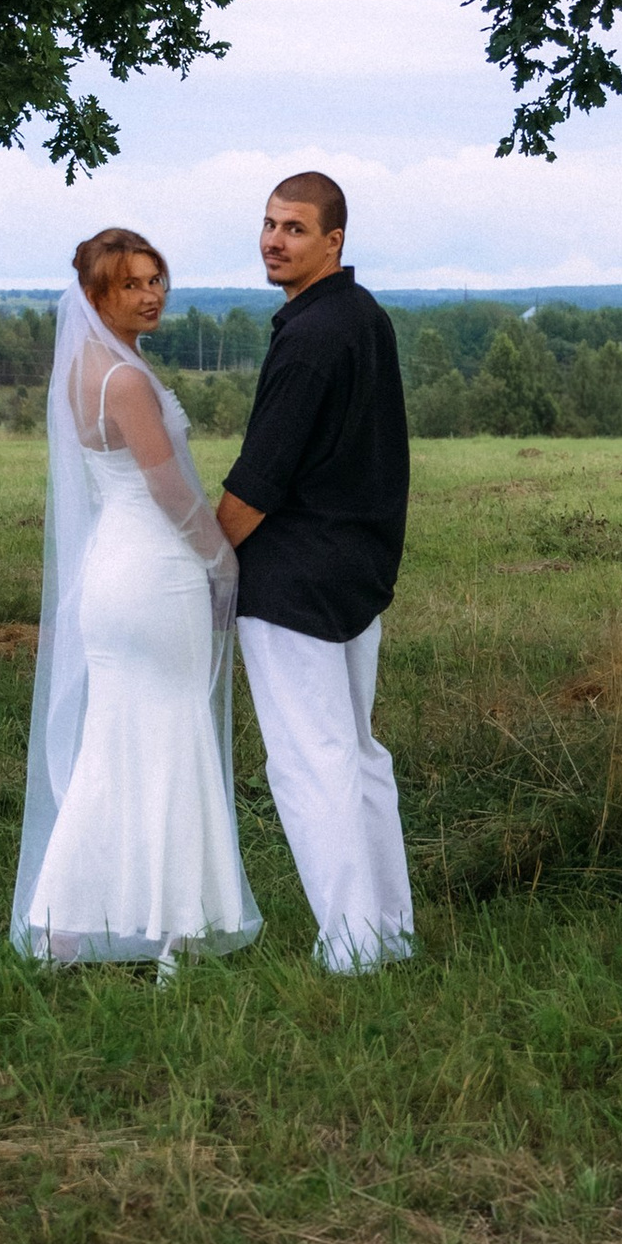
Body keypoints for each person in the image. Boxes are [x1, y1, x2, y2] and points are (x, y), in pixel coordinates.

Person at [12, 229, 261, 978]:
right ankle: (175, 935)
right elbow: (170, 489)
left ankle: (63, 928)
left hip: (113, 573)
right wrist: (221, 561)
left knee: (113, 749)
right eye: (130, 285)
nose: (151, 295)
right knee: (175, 736)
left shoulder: (87, 369)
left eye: (156, 280)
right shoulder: (124, 380)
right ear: (95, 296)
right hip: (156, 570)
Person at [215, 174, 413, 972]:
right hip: (357, 572)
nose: (273, 240)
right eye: (267, 223)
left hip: (293, 579)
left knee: (310, 763)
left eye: (294, 228)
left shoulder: (310, 337)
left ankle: (352, 944)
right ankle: (389, 930)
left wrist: (202, 564)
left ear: (334, 241)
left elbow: (259, 480)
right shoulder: (362, 316)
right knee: (358, 754)